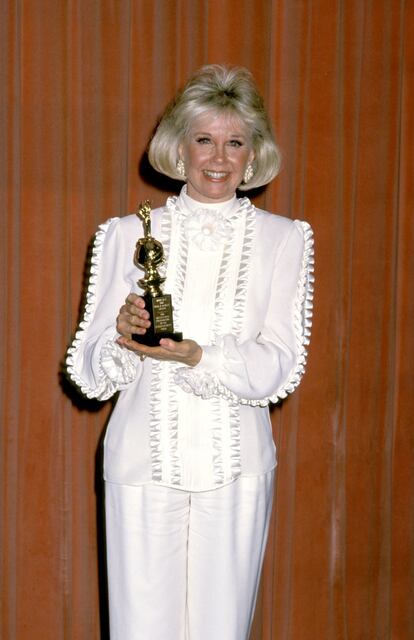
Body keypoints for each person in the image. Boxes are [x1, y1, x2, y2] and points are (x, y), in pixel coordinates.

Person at [66, 64, 314, 640]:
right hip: (141, 464)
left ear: (254, 154)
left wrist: (199, 357)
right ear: (178, 147)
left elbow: (281, 365)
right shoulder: (126, 234)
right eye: (204, 139)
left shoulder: (286, 238)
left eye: (235, 142)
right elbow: (89, 372)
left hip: (236, 468)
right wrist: (124, 336)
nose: (219, 158)